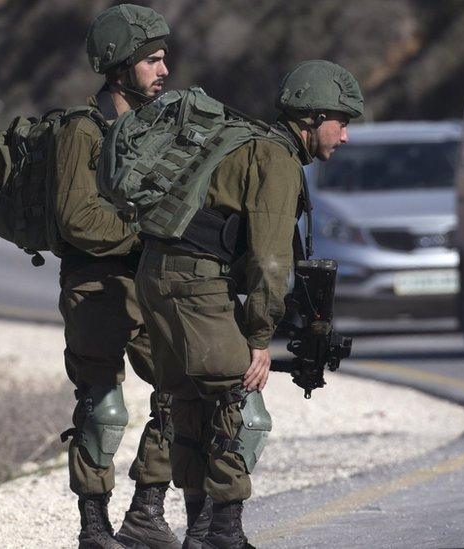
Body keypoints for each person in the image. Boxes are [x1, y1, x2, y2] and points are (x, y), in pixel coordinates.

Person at [133, 60, 363, 548]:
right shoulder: (274, 158)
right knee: (237, 405)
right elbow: (269, 259)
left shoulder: (241, 140)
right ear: (312, 118)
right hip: (196, 283)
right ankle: (224, 533)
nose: (344, 137)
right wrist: (260, 337)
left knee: (191, 405)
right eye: (341, 122)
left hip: (157, 276)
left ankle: (201, 531)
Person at [56, 5, 179, 548]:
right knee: (102, 405)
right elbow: (77, 217)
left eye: (163, 59)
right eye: (151, 60)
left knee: (187, 388)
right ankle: (93, 526)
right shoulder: (81, 132)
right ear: (119, 65)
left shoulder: (163, 128)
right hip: (96, 286)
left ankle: (147, 510)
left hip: (153, 284)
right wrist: (146, 230)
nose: (163, 70)